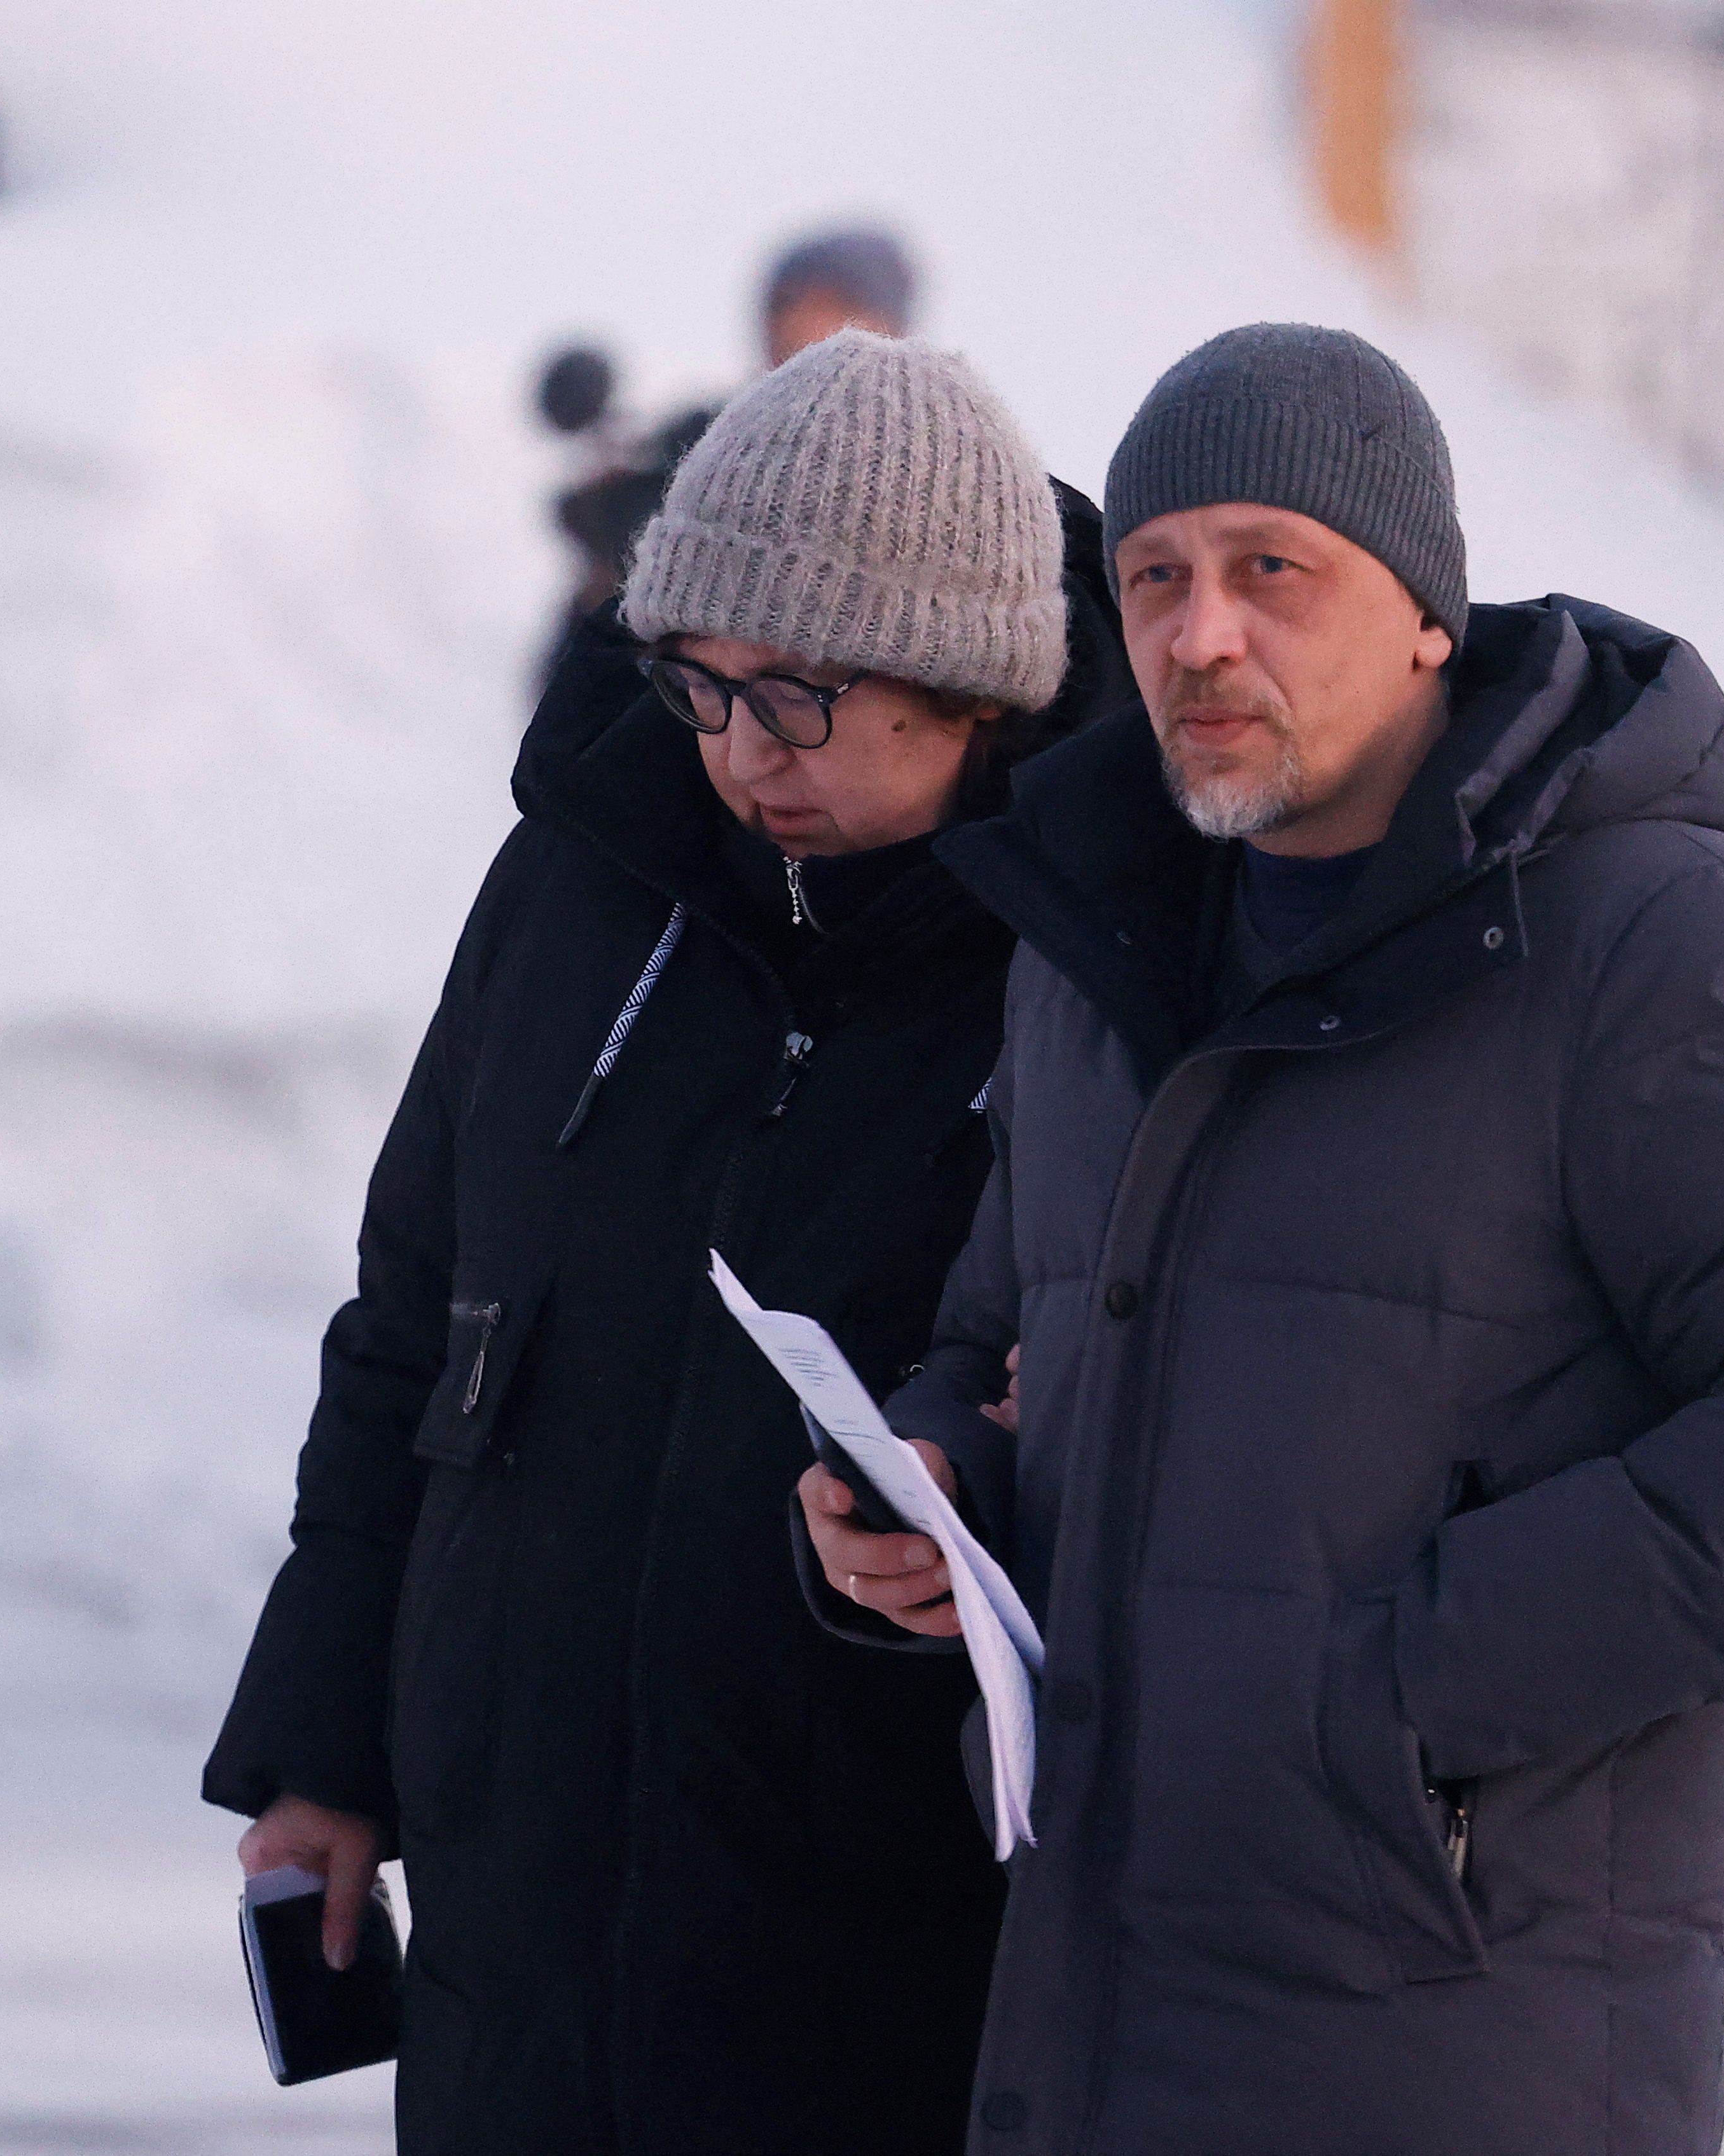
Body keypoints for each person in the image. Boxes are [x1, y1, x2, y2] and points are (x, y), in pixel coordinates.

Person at [800, 324, 1724, 2153]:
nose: (1201, 633)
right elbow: (1000, 1332)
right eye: (1152, 578)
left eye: (1268, 568)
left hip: (1451, 2028)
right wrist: (929, 1477)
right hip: (1094, 2005)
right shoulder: (1091, 949)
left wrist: (1387, 1683)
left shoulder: (1644, 944)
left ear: (1424, 607)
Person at [207, 329, 1129, 2153]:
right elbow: (410, 1317)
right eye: (695, 685)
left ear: (970, 687)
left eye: (793, 699)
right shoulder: (583, 869)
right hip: (518, 1926)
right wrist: (324, 1745)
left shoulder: (1090, 961)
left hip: (878, 1952)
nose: (731, 752)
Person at [544, 226, 921, 666]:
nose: (796, 321)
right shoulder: (702, 434)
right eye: (784, 302)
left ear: (889, 324)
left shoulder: (914, 471)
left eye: (832, 304)